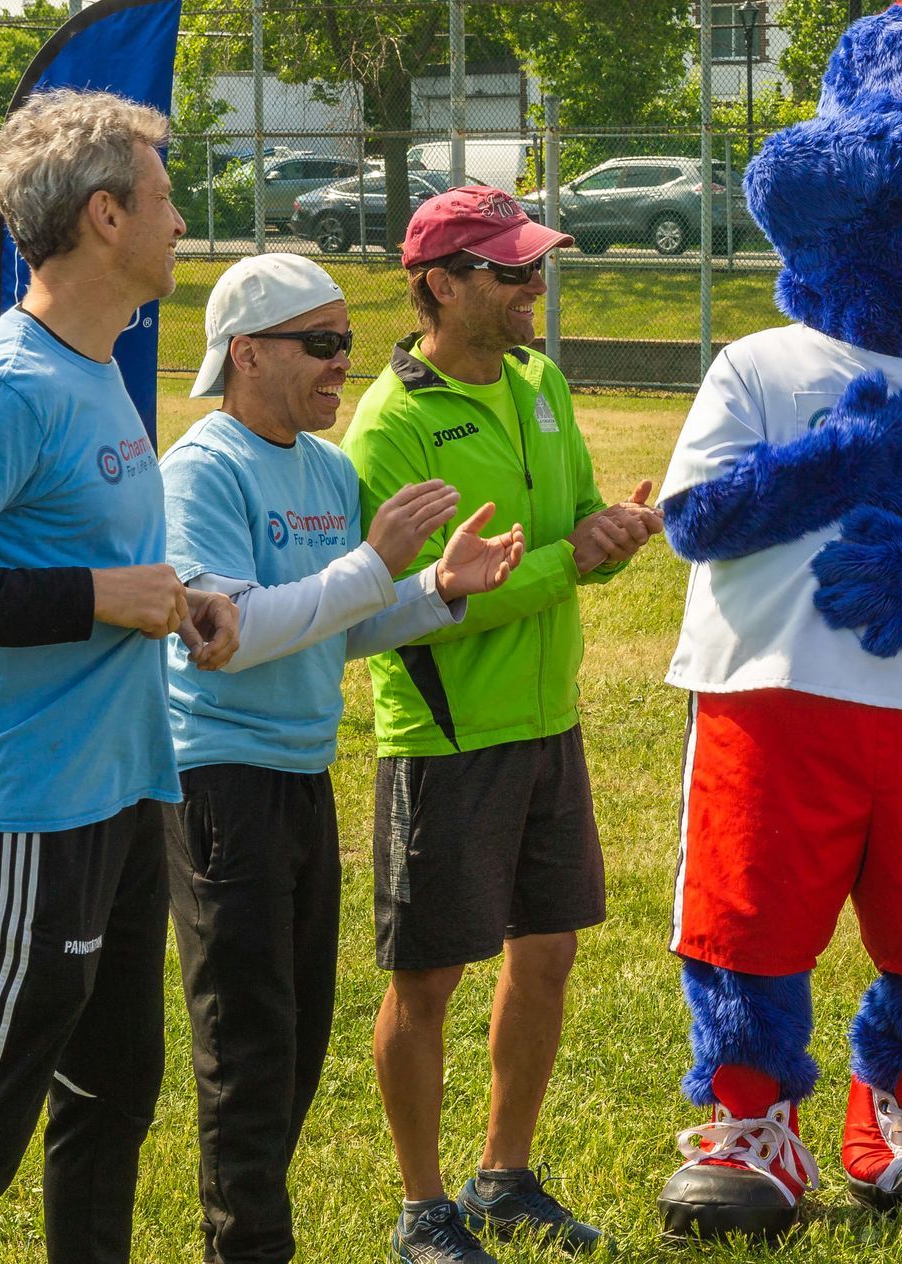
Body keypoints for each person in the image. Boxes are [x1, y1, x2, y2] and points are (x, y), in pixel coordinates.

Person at [0, 87, 239, 1263]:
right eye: (164, 197)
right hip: (23, 809)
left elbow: (81, 558)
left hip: (118, 795)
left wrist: (172, 597)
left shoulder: (97, 366)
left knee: (111, 1101)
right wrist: (95, 597)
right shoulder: (1, 383)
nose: (183, 221)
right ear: (105, 216)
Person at [158, 252, 524, 1264]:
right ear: (245, 355)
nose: (342, 364)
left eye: (347, 342)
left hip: (301, 776)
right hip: (218, 780)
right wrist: (373, 564)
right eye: (320, 344)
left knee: (299, 1039)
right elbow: (228, 636)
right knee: (247, 1048)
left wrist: (435, 591)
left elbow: (334, 623)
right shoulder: (203, 469)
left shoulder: (325, 470)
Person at [340, 185, 661, 1263]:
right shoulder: (390, 424)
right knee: (427, 978)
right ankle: (422, 1207)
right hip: (446, 739)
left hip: (544, 721)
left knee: (549, 951)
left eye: (537, 266)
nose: (534, 286)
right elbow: (408, 606)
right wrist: (571, 559)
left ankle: (503, 1179)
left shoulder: (539, 382)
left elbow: (564, 529)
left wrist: (607, 531)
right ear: (440, 284)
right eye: (511, 270)